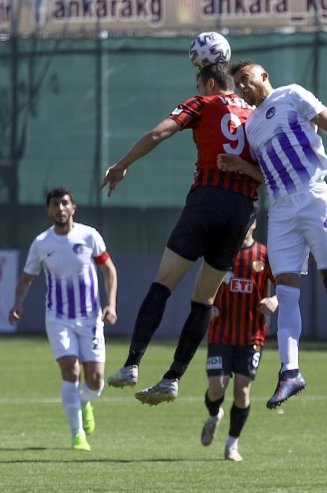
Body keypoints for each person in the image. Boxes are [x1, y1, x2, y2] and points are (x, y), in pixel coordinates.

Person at [98, 62, 263, 406]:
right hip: (242, 210)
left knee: (162, 284)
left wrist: (123, 163)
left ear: (207, 82)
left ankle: (132, 364)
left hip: (207, 200)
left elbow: (159, 133)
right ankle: (173, 378)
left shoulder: (201, 103)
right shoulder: (256, 114)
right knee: (204, 300)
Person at [222, 60, 327, 412]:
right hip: (280, 210)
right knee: (285, 291)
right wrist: (238, 166)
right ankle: (290, 372)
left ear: (265, 76)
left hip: (314, 198)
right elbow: (266, 172)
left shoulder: (292, 95)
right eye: (237, 85)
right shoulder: (250, 126)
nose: (243, 88)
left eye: (246, 80)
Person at [8, 186, 118, 451]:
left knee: (95, 381)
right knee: (71, 370)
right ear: (48, 210)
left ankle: (84, 401)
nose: (60, 209)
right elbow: (27, 278)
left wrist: (111, 304)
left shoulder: (89, 236)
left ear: (73, 208)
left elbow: (109, 271)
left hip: (90, 318)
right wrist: (17, 304)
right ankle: (77, 434)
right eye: (55, 205)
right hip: (58, 318)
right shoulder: (42, 243)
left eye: (64, 204)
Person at [200, 217, 276, 462]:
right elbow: (203, 284)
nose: (242, 226)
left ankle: (232, 444)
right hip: (221, 332)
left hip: (251, 335)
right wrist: (207, 306)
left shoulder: (264, 254)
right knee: (216, 388)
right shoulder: (221, 251)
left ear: (253, 223)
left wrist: (275, 301)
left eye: (247, 221)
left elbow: (286, 286)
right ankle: (214, 415)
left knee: (242, 392)